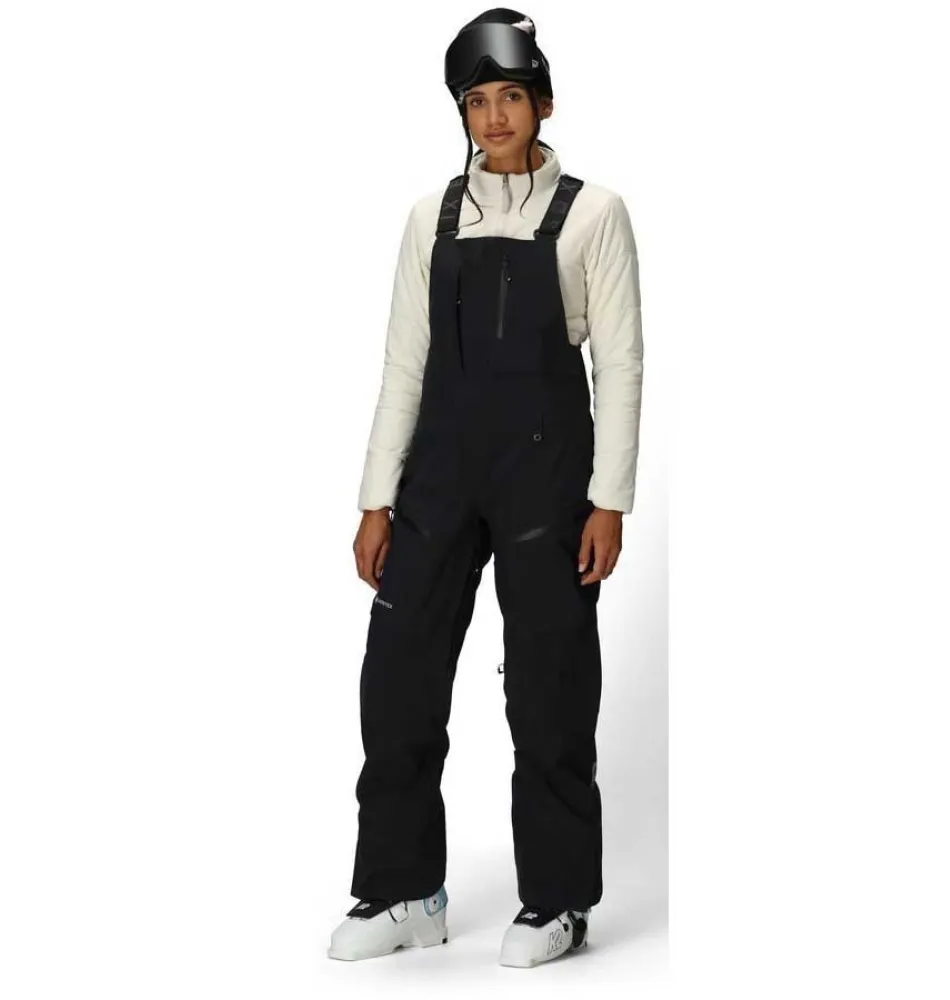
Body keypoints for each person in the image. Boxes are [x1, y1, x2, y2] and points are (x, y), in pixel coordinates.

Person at [328, 8, 643, 968]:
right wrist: (376, 498)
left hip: (547, 477)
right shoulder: (431, 218)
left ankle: (557, 901)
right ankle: (404, 890)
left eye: (511, 96)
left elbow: (620, 365)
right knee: (398, 677)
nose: (495, 116)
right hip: (439, 473)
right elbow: (403, 362)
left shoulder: (593, 214)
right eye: (477, 101)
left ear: (543, 102)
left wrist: (610, 501)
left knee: (548, 685)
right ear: (461, 112)